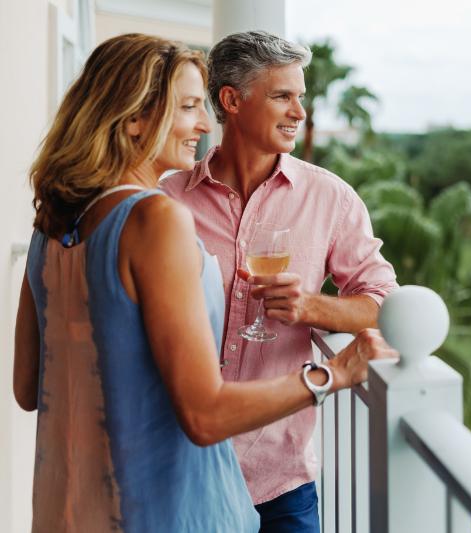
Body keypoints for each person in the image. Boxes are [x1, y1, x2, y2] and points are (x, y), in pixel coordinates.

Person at [13, 33, 395, 533]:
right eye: (189, 106)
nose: (202, 122)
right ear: (133, 118)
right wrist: (335, 374)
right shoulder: (158, 215)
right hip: (166, 505)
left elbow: (28, 386)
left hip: (68, 505)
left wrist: (311, 309)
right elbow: (203, 415)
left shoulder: (53, 220)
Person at [159, 31, 398, 532]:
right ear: (232, 101)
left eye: (301, 98)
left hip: (279, 486)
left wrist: (311, 307)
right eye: (282, 96)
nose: (299, 112)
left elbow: (384, 305)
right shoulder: (168, 201)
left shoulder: (329, 199)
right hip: (181, 472)